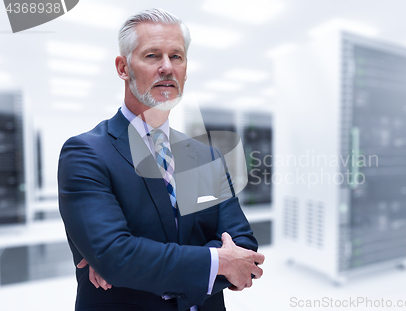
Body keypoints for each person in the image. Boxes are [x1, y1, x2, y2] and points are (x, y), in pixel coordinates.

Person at [58, 8, 264, 311]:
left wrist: (134, 266)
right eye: (153, 55)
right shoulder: (86, 153)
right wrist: (217, 261)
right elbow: (117, 255)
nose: (167, 67)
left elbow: (243, 247)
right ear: (123, 67)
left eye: (176, 56)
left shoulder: (206, 156)